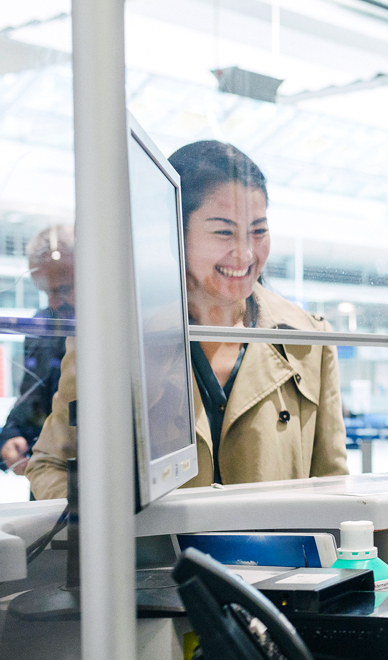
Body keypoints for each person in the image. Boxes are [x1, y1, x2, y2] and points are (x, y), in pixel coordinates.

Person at [25, 141, 347, 500]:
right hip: (160, 557)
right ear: (175, 231)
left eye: (258, 230)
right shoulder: (117, 336)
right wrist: (110, 532)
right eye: (223, 231)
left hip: (283, 558)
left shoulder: (308, 339)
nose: (245, 252)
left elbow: (332, 485)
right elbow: (52, 463)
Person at [0, 225, 74, 476]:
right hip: (48, 473)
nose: (53, 303)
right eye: (45, 292)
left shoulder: (117, 330)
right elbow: (33, 400)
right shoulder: (43, 325)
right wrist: (12, 436)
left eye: (63, 289)